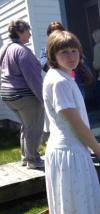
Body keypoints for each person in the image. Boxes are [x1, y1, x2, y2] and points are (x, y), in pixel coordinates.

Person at [43, 30, 100, 214]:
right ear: (53, 54)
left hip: (66, 151)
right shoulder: (60, 83)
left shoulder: (61, 76)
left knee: (75, 212)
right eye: (64, 52)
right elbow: (79, 127)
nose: (72, 56)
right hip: (70, 154)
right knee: (80, 211)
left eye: (74, 50)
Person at [0, 19, 44, 169]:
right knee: (34, 127)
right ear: (19, 32)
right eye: (27, 31)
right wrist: (43, 98)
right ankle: (33, 160)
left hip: (8, 95)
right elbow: (33, 78)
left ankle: (26, 157)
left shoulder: (5, 48)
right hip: (24, 96)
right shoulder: (22, 51)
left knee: (26, 126)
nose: (30, 34)